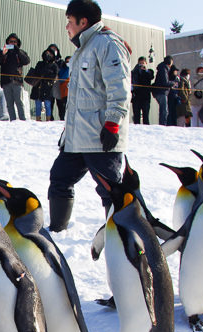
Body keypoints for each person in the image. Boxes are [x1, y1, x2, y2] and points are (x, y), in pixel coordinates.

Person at [47, 0, 130, 231]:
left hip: (101, 137)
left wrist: (112, 124)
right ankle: (57, 232)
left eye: (69, 22)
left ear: (83, 22)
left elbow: (119, 88)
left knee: (111, 191)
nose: (67, 27)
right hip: (78, 138)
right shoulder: (84, 48)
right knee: (60, 178)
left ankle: (120, 237)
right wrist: (68, 132)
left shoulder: (108, 45)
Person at [0, 33, 31, 120]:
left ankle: (22, 120)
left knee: (19, 102)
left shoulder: (20, 52)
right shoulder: (2, 52)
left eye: (14, 42)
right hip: (6, 82)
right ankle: (12, 121)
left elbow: (27, 61)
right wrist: (2, 53)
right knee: (9, 104)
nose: (12, 43)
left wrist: (18, 51)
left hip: (17, 81)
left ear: (17, 43)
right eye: (10, 42)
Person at [31, 49, 59, 121]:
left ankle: (48, 120)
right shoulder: (40, 63)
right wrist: (46, 71)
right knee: (38, 105)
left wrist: (46, 73)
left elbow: (54, 75)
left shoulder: (54, 65)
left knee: (47, 104)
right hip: (38, 86)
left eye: (50, 54)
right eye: (46, 53)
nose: (48, 55)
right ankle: (38, 119)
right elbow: (37, 72)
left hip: (48, 87)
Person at [131, 56, 154, 124]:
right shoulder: (134, 72)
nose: (141, 65)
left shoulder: (149, 71)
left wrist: (145, 70)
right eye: (140, 63)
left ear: (146, 63)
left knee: (146, 115)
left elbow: (151, 76)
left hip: (145, 96)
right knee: (136, 115)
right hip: (136, 96)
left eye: (143, 63)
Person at [152, 55, 174, 126]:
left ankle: (163, 123)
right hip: (161, 92)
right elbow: (165, 82)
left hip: (158, 91)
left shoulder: (162, 68)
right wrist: (173, 83)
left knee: (163, 109)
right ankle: (163, 124)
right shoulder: (164, 69)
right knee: (164, 110)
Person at [53, 56, 71, 120]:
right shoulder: (63, 69)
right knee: (62, 108)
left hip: (71, 93)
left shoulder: (75, 68)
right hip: (63, 92)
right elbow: (61, 78)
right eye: (67, 61)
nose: (68, 63)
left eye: (70, 61)